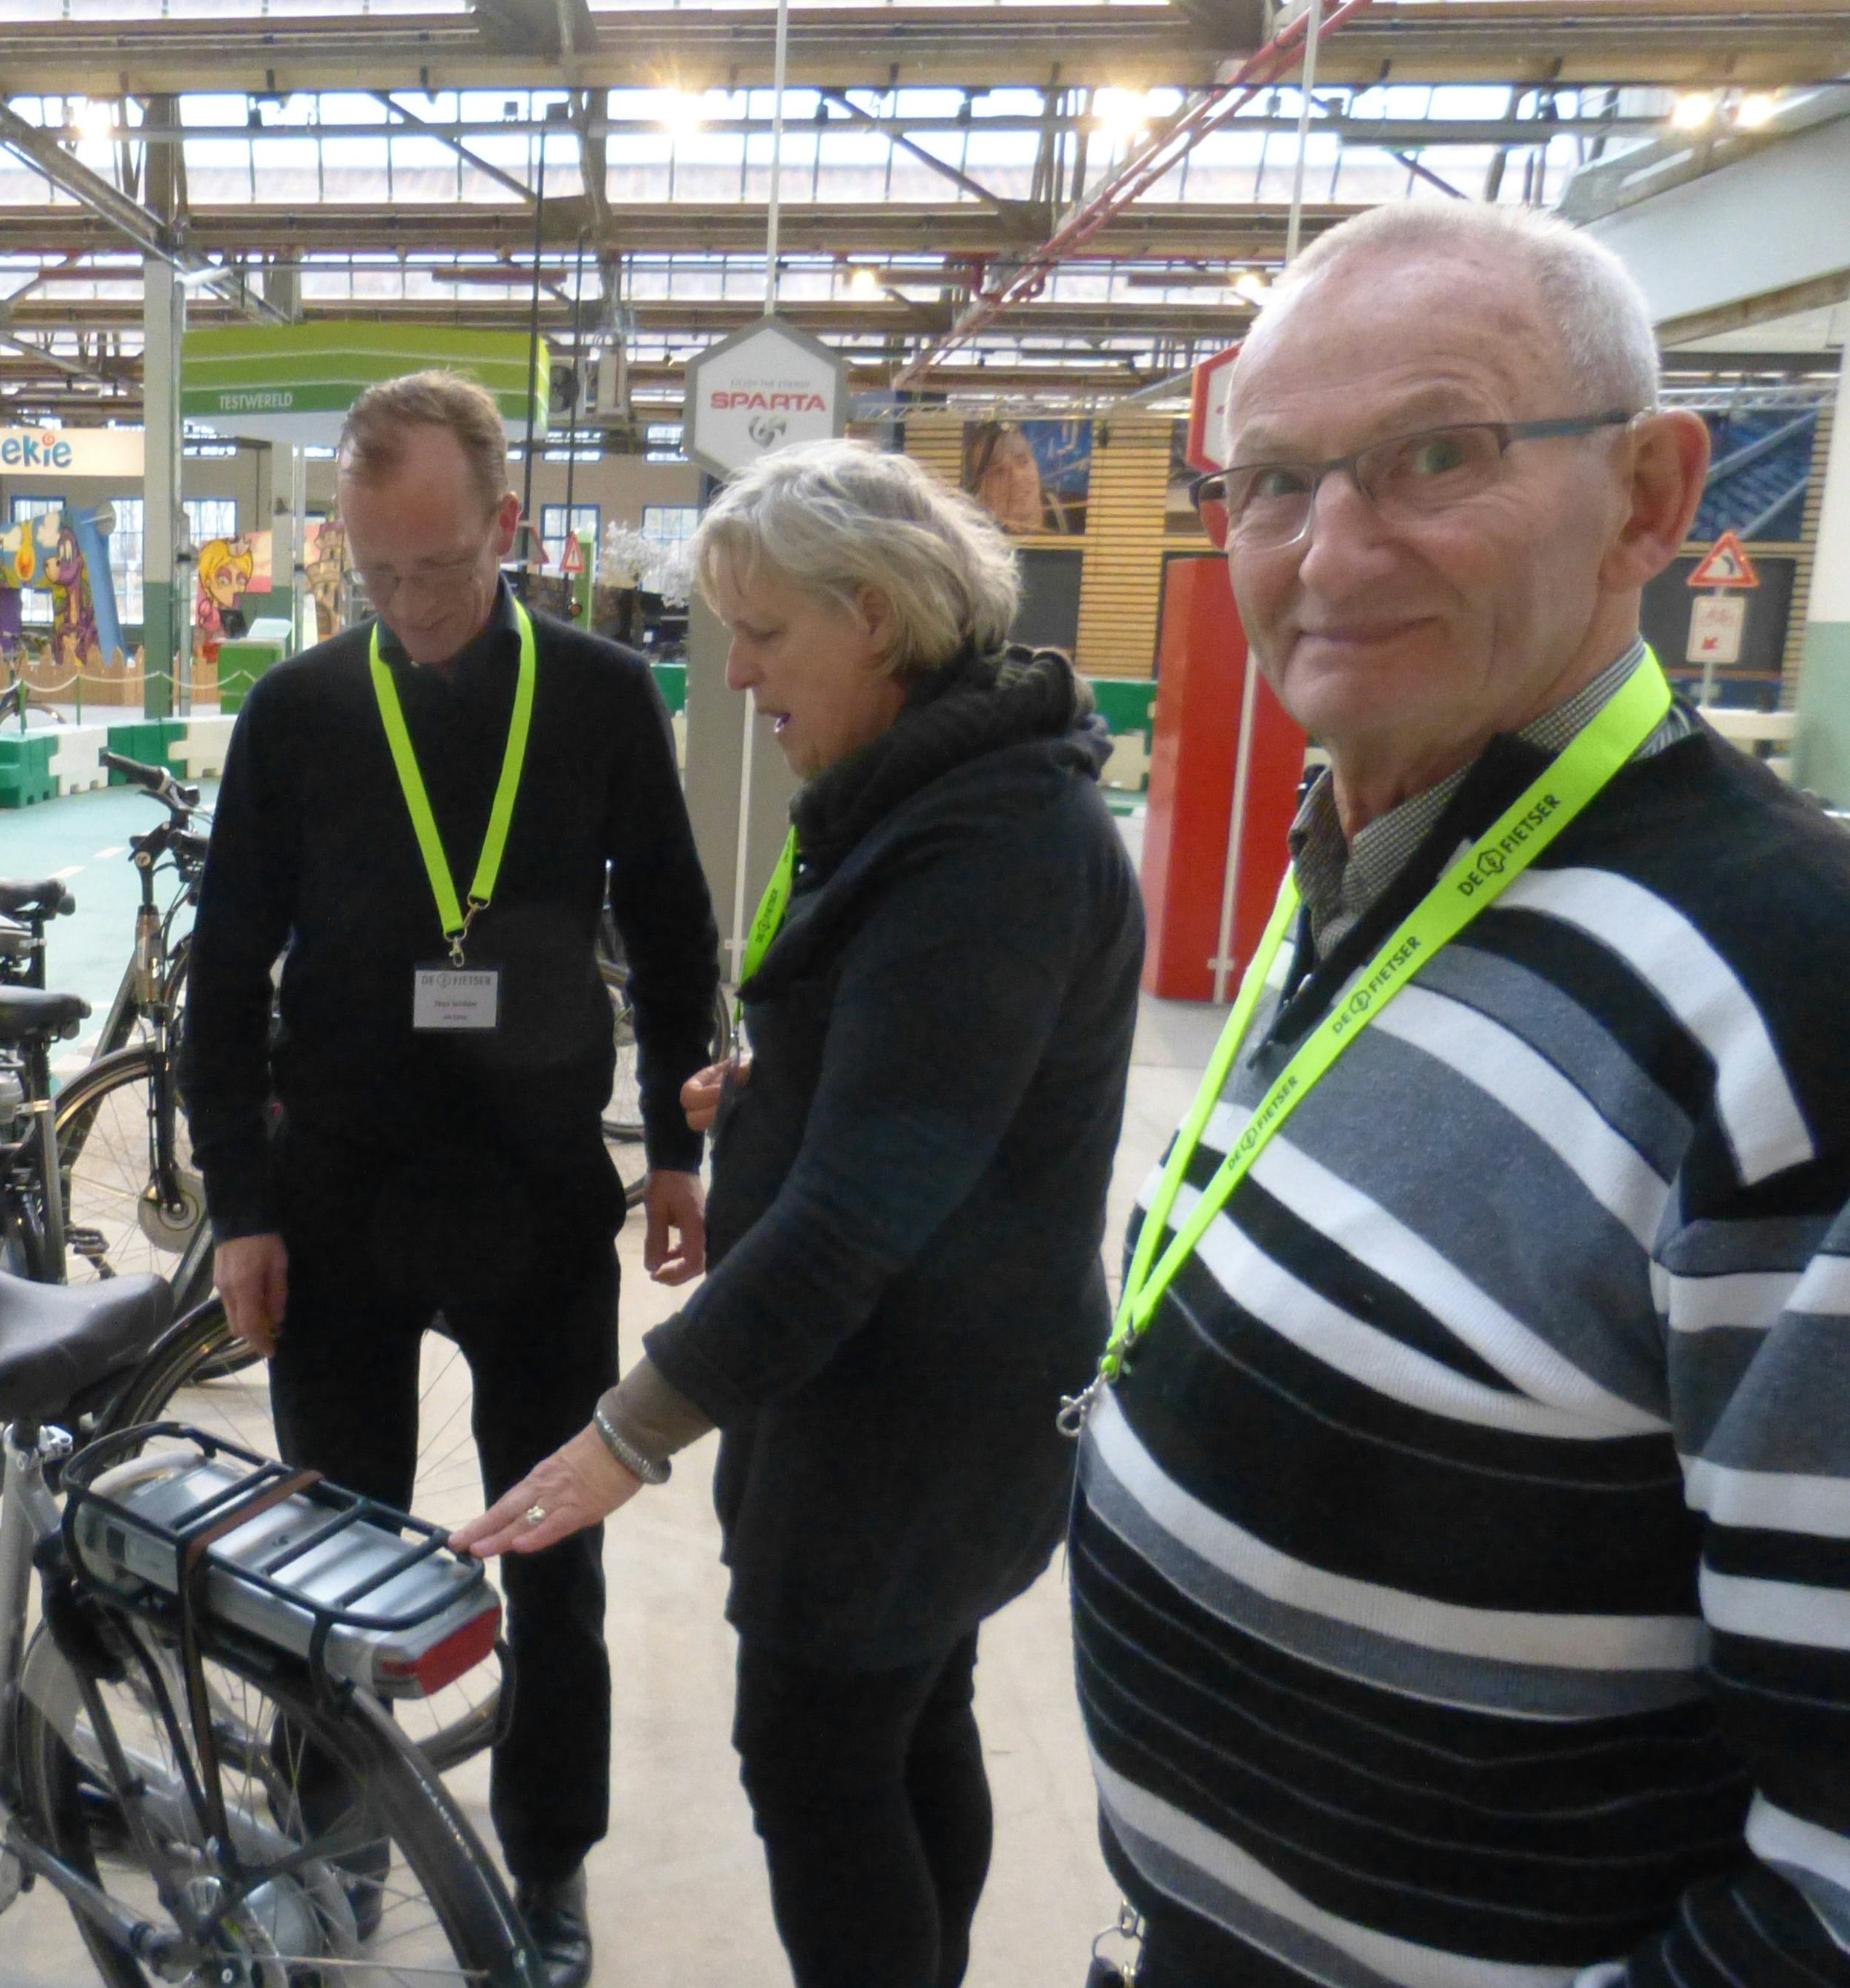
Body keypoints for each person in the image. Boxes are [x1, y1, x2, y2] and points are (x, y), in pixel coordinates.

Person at [1063, 201, 1850, 1983]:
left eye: (1434, 454)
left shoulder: (1792, 1004)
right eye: (1269, 481)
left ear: (1648, 496)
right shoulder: (1369, 850)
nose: (1328, 554)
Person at [462, 438, 1147, 1988]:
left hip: (901, 1410)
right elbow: (941, 1074)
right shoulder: (945, 800)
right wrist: (790, 1080)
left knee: (817, 1754)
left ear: (877, 619)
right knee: (913, 1712)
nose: (742, 671)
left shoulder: (985, 847)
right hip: (919, 1392)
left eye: (765, 634)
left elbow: (855, 1218)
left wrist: (626, 1432)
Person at [182, 368, 722, 1988]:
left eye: (432, 567)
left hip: (539, 1205)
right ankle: (331, 1846)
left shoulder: (603, 696)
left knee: (553, 1563)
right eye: (373, 573)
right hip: (336, 1200)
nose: (404, 604)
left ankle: (545, 1869)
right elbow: (224, 973)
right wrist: (237, 1204)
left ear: (505, 525)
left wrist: (677, 1150)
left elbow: (680, 930)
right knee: (326, 1556)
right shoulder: (298, 714)